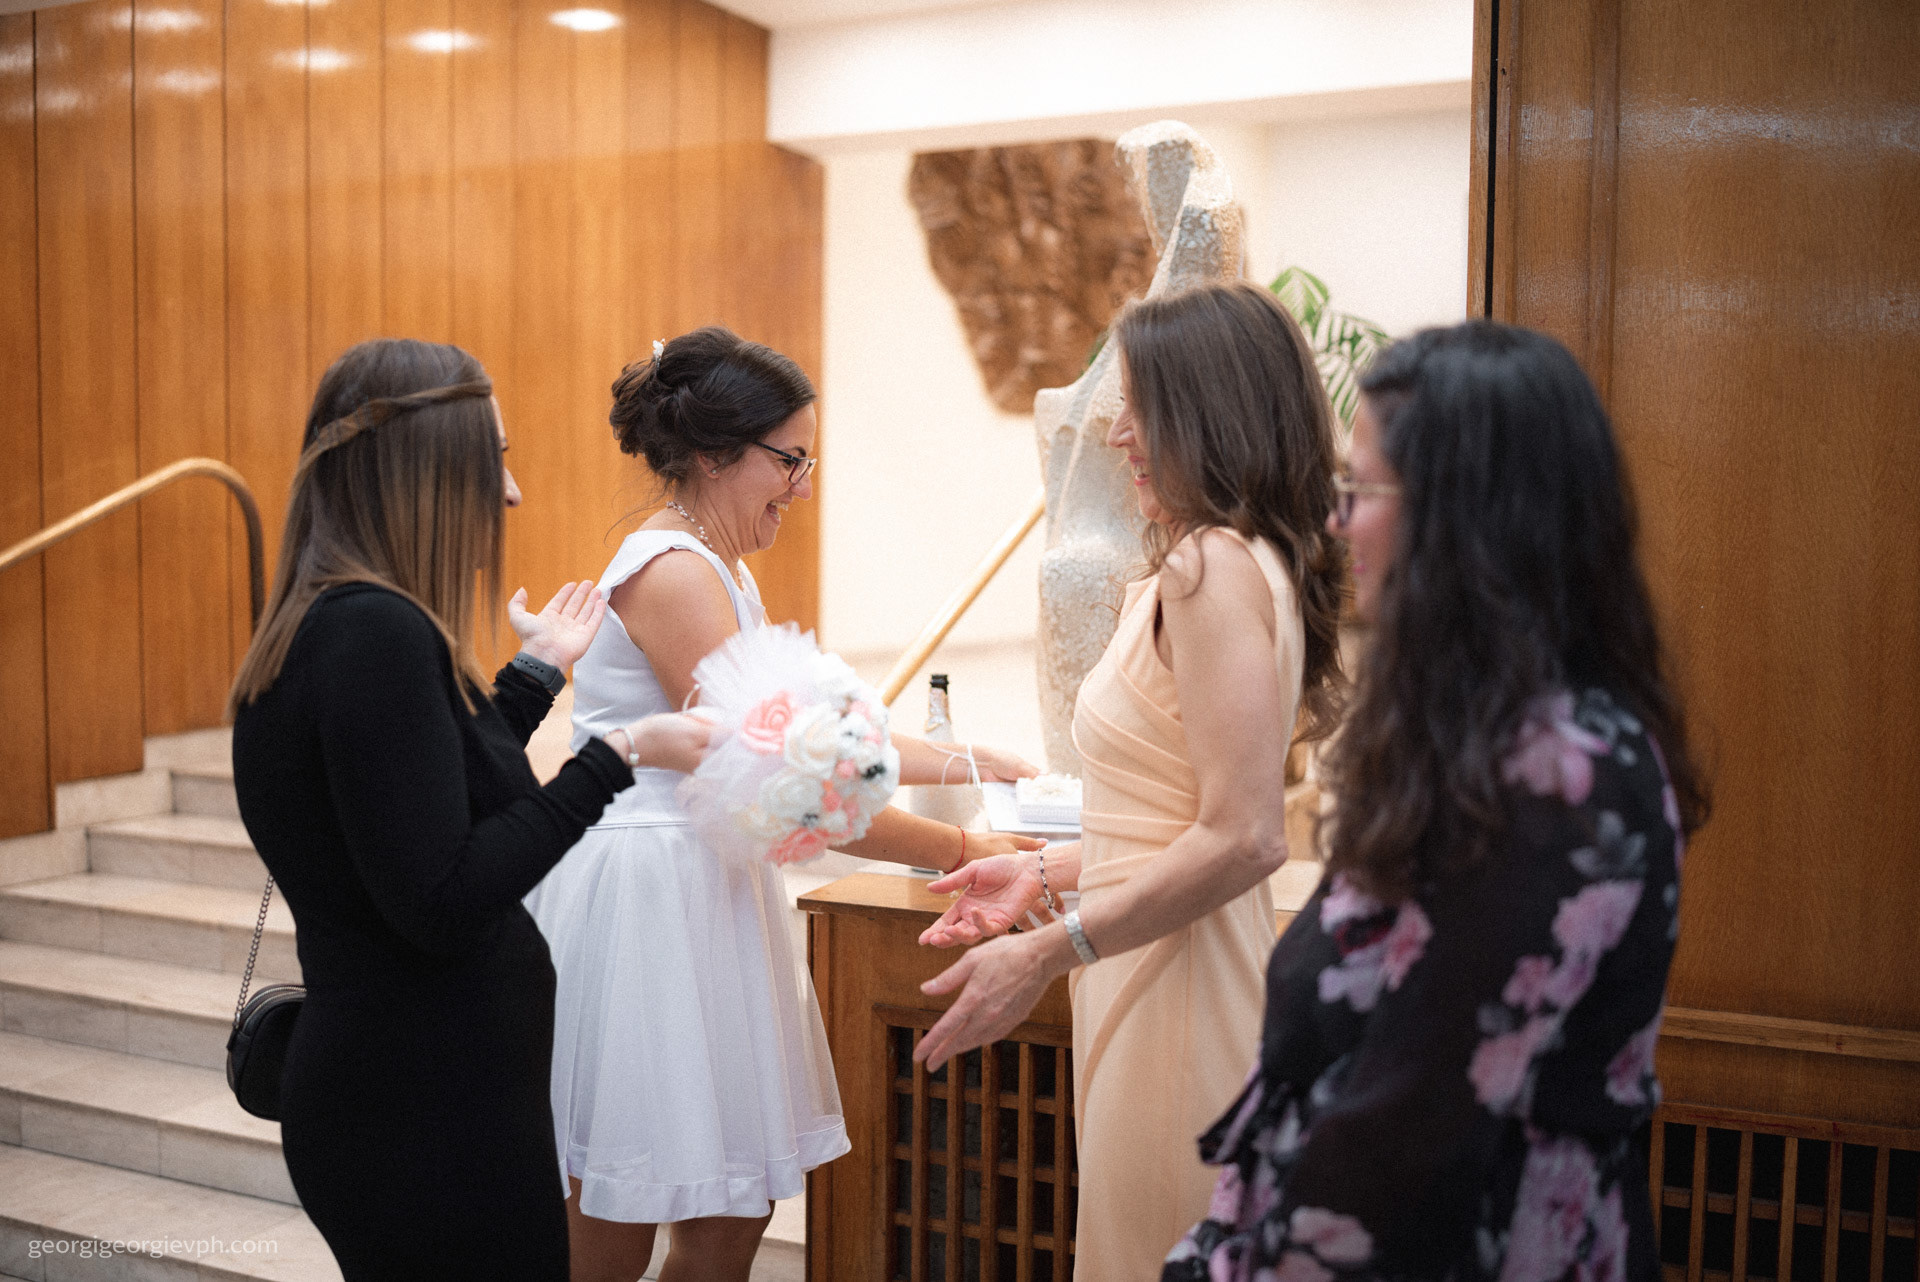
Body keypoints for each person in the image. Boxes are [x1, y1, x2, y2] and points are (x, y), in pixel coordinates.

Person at [1162, 321, 1709, 1280]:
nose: (1339, 522)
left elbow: (1414, 1122)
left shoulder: (1563, 774)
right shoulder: (1473, 734)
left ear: (1467, 513)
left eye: (1362, 491)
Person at [524, 326, 1044, 1282]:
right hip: (647, 904)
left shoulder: (720, 564)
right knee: (619, 1219)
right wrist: (962, 848)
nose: (802, 486)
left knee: (732, 1211)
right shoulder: (672, 572)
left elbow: (812, 736)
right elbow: (787, 784)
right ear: (716, 454)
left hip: (704, 889)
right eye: (789, 460)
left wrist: (969, 757)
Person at [228, 339, 712, 1280]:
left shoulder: (337, 623)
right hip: (424, 1112)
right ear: (427, 467)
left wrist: (534, 676)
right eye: (495, 458)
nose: (513, 492)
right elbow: (446, 894)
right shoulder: (376, 632)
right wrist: (620, 755)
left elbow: (420, 793)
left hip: (411, 1094)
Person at [911, 280, 1348, 1281]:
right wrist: (1047, 871)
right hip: (1152, 963)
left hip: (1177, 987)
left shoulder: (1212, 569)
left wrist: (1046, 950)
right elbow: (1176, 818)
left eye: (1139, 412)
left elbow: (1245, 836)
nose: (1117, 438)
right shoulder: (1228, 562)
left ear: (1209, 414)